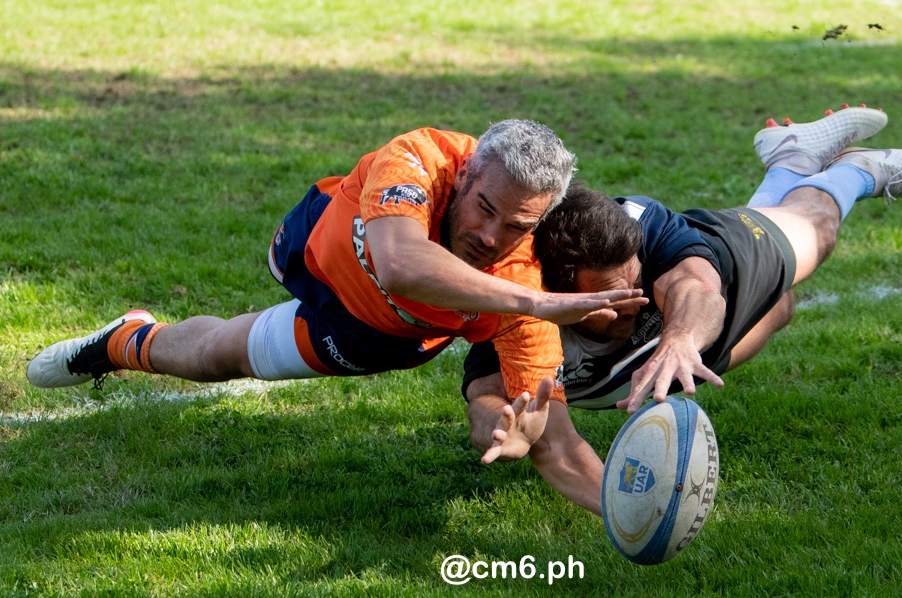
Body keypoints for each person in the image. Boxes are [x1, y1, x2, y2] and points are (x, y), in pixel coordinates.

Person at [462, 105, 902, 512]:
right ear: (563, 296)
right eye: (613, 302)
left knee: (814, 241)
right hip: (650, 356)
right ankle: (792, 160)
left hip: (716, 268)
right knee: (780, 308)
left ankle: (857, 170)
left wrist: (679, 339)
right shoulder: (516, 319)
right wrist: (505, 430)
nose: (635, 305)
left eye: (637, 287)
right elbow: (532, 432)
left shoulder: (645, 231)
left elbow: (699, 290)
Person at [27, 120, 647, 439]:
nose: (491, 235)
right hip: (319, 248)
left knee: (216, 354)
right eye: (484, 208)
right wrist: (537, 303)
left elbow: (551, 435)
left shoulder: (523, 282)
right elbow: (401, 262)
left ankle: (120, 342)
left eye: (514, 226)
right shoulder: (422, 156)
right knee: (294, 267)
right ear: (466, 173)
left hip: (373, 333)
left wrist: (619, 513)